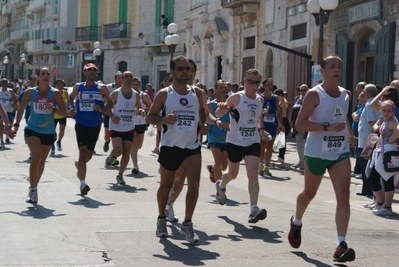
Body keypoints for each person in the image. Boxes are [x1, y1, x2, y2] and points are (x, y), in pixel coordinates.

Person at [288, 55, 356, 263]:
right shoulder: (313, 95)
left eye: (340, 66)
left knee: (343, 195)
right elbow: (300, 124)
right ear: (323, 71)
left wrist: (349, 133)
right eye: (332, 66)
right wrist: (326, 127)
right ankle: (297, 221)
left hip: (339, 152)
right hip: (317, 152)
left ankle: (341, 244)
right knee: (309, 194)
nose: (337, 70)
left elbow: (341, 114)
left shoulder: (346, 94)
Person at [147, 56, 215, 243]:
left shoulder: (198, 93)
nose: (186, 72)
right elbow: (149, 117)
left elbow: (204, 115)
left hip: (192, 147)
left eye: (189, 69)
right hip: (170, 146)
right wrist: (163, 120)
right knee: (166, 186)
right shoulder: (164, 93)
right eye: (181, 68)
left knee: (194, 185)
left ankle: (187, 222)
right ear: (172, 71)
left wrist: (206, 126)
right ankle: (161, 218)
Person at [214, 68, 269, 224]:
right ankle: (222, 185)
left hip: (252, 141)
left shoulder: (260, 100)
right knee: (233, 174)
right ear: (245, 82)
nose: (254, 85)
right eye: (251, 81)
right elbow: (218, 113)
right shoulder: (237, 98)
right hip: (234, 141)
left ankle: (253, 210)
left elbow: (258, 117)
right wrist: (224, 107)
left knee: (253, 173)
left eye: (257, 82)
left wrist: (261, 129)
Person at [13, 66, 66, 204]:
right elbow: (21, 108)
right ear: (38, 77)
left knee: (41, 162)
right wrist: (16, 126)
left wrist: (53, 109)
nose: (45, 76)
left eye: (47, 74)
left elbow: (64, 112)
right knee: (35, 157)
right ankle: (32, 188)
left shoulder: (55, 93)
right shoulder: (30, 92)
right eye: (42, 73)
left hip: (48, 131)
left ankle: (35, 188)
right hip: (32, 129)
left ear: (50, 77)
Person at [68, 63, 113, 196]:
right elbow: (70, 99)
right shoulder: (78, 87)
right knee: (82, 153)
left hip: (95, 125)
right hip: (81, 123)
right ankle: (82, 183)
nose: (92, 72)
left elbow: (110, 103)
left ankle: (80, 167)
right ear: (84, 72)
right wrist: (72, 108)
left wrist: (103, 109)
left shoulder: (101, 88)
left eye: (94, 70)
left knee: (88, 155)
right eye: (89, 70)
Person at [105, 71, 144, 185]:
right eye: (126, 77)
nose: (128, 78)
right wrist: (112, 116)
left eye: (130, 77)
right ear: (121, 79)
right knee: (118, 150)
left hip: (129, 126)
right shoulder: (116, 93)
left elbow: (138, 107)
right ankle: (112, 156)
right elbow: (107, 107)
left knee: (126, 152)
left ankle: (120, 175)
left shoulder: (135, 95)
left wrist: (141, 111)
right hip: (116, 126)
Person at [365, 100, 399, 216]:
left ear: (393, 111)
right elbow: (372, 106)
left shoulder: (392, 122)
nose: (386, 112)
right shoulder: (384, 121)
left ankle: (387, 206)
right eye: (384, 110)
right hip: (382, 153)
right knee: (372, 177)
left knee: (387, 179)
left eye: (389, 110)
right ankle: (380, 202)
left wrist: (392, 138)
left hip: (389, 152)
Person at [357, 84, 380, 196]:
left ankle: (368, 190)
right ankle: (366, 190)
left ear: (367, 93)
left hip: (367, 140)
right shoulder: (375, 103)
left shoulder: (370, 105)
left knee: (366, 166)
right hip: (368, 139)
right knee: (367, 166)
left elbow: (372, 123)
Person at [258, 78, 284, 176]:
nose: (270, 86)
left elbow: (279, 111)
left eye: (271, 84)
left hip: (272, 124)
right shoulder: (260, 98)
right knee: (262, 145)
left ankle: (267, 167)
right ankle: (260, 164)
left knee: (269, 147)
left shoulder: (275, 98)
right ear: (264, 86)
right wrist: (263, 112)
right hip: (263, 125)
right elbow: (258, 111)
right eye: (268, 84)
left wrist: (281, 124)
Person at [206, 80, 229, 183]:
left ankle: (212, 169)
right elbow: (206, 118)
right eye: (221, 87)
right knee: (219, 162)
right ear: (215, 89)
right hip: (213, 137)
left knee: (224, 167)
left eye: (225, 87)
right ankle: (220, 190)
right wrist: (213, 122)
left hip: (227, 138)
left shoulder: (230, 104)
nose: (223, 89)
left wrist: (230, 124)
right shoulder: (210, 105)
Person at [130, 77, 152, 174]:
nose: (135, 87)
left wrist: (145, 111)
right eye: (133, 85)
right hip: (131, 123)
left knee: (139, 145)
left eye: (137, 85)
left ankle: (135, 153)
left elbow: (152, 107)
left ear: (140, 86)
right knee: (133, 146)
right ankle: (135, 165)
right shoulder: (128, 95)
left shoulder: (144, 95)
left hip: (141, 123)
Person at [103, 71, 123, 153]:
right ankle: (107, 141)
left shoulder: (124, 89)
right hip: (109, 112)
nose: (120, 80)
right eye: (118, 78)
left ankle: (114, 151)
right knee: (108, 133)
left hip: (119, 114)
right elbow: (104, 98)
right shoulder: (109, 87)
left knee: (117, 134)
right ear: (114, 79)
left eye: (122, 78)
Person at [351, 82, 367, 178]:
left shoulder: (366, 105)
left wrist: (355, 115)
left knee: (360, 151)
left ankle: (360, 170)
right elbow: (354, 114)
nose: (356, 89)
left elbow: (356, 117)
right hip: (357, 130)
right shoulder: (359, 104)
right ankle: (357, 169)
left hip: (363, 132)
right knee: (358, 150)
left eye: (358, 87)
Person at [291, 84, 308, 169]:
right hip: (298, 125)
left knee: (305, 144)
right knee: (299, 143)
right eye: (301, 90)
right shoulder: (298, 100)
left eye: (304, 90)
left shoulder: (310, 100)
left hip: (307, 125)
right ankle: (301, 161)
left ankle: (305, 162)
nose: (302, 92)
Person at [273, 88, 292, 163]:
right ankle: (280, 156)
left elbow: (283, 115)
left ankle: (281, 156)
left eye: (277, 96)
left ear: (281, 95)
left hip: (283, 121)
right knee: (280, 139)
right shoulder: (281, 101)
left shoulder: (283, 102)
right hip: (281, 121)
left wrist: (280, 123)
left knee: (282, 139)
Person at [51, 79, 68, 155]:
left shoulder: (65, 93)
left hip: (62, 115)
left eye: (61, 84)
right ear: (55, 85)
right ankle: (52, 145)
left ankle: (59, 141)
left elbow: (68, 102)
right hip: (53, 115)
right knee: (52, 131)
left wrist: (68, 107)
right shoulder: (52, 93)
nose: (60, 85)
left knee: (62, 130)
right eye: (58, 84)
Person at [0, 78, 18, 148]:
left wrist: (15, 104)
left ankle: (7, 136)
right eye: (2, 82)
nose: (4, 83)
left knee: (8, 126)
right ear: (0, 83)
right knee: (0, 125)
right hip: (0, 111)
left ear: (7, 83)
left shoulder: (10, 91)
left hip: (8, 111)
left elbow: (16, 99)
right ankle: (1, 141)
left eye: (5, 82)